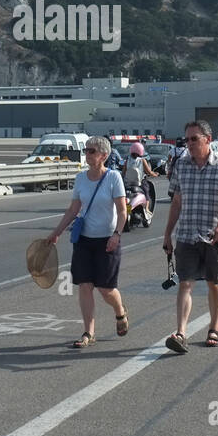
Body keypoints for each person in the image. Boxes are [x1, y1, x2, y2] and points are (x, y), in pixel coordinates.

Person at [47, 136, 129, 348]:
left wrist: (117, 235)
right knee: (85, 285)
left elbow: (122, 211)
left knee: (106, 289)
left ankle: (120, 311)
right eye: (86, 150)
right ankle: (88, 332)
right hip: (84, 240)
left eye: (91, 151)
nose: (87, 154)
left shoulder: (114, 178)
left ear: (104, 155)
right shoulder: (81, 178)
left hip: (107, 240)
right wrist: (56, 232)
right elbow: (73, 210)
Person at [162, 119, 218, 353]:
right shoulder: (181, 166)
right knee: (186, 283)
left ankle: (214, 327)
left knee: (214, 282)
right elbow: (176, 202)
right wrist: (167, 234)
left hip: (214, 235)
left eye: (194, 139)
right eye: (186, 139)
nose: (189, 144)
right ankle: (181, 333)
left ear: (207, 140)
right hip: (187, 234)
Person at [123, 142, 159, 227]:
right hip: (139, 183)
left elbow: (123, 172)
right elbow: (148, 172)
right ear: (141, 151)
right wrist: (155, 174)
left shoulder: (127, 160)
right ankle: (146, 209)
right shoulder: (142, 160)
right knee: (147, 192)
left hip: (127, 184)